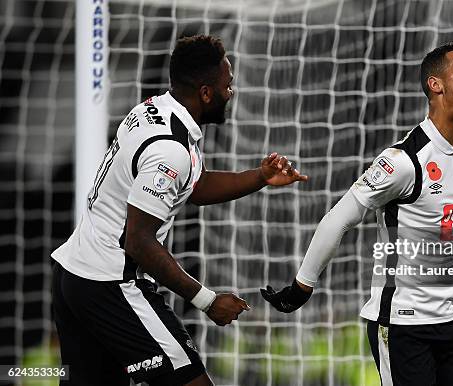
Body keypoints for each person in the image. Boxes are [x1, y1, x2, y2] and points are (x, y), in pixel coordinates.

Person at [51, 35, 307, 386]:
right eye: (227, 85)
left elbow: (194, 187)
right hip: (112, 284)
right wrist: (208, 300)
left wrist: (260, 177)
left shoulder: (153, 108)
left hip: (76, 275)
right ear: (205, 93)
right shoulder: (169, 150)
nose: (231, 93)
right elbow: (138, 242)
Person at [261, 42, 453, 385]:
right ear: (436, 85)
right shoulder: (403, 161)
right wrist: (303, 286)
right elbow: (339, 218)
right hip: (403, 325)